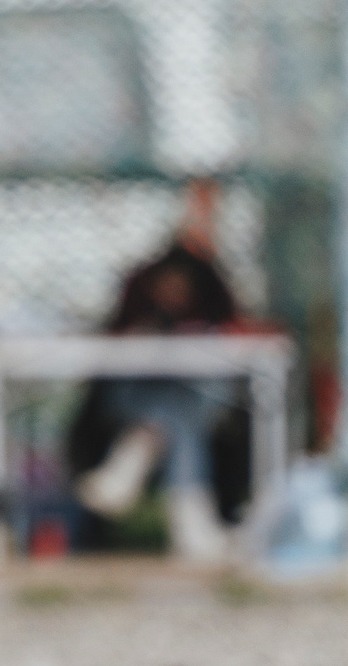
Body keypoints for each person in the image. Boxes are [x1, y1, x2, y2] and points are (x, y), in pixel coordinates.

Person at [67, 181, 253, 562]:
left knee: (175, 412)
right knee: (172, 413)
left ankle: (134, 455)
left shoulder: (214, 285)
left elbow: (238, 335)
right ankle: (192, 525)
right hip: (137, 400)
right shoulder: (138, 285)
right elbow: (110, 349)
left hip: (198, 401)